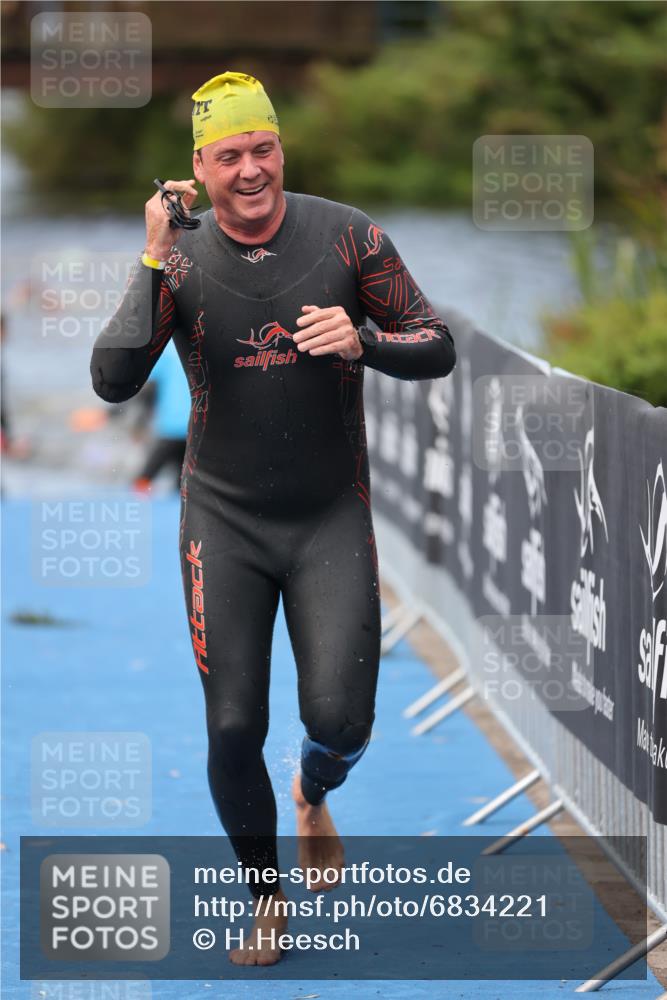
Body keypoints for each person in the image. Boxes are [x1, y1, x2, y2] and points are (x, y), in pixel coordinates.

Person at [90, 71, 455, 966]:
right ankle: (265, 900)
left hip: (329, 514)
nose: (251, 171)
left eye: (265, 149)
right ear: (198, 167)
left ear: (280, 146)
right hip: (225, 518)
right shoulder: (177, 260)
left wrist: (362, 341)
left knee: (342, 719)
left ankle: (312, 788)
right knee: (228, 726)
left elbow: (433, 344)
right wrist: (148, 253)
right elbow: (112, 380)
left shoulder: (349, 235)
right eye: (230, 156)